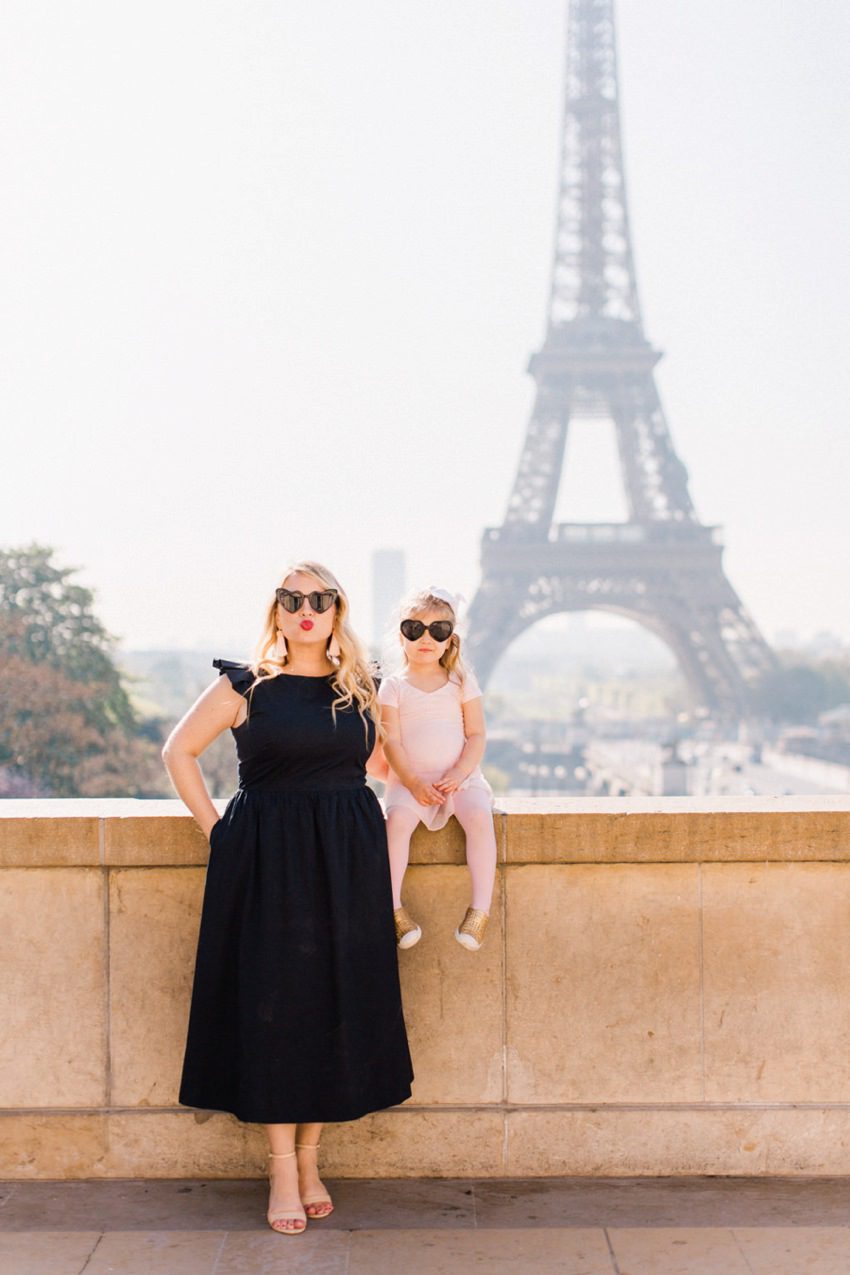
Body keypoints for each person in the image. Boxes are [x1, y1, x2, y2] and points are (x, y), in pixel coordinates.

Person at [162, 561, 413, 1236]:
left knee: (333, 1002)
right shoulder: (246, 685)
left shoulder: (362, 687)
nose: (306, 608)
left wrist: (457, 783)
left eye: (320, 598)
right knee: (276, 1011)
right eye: (292, 598)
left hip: (347, 860)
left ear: (338, 609)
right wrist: (222, 835)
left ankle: (309, 1160)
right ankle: (279, 1168)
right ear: (276, 610)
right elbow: (178, 752)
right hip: (267, 863)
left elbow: (386, 767)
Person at [378, 586, 496, 951]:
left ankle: (480, 910)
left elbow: (476, 735)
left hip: (460, 779)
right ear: (401, 636)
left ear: (450, 640)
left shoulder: (461, 681)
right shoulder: (393, 687)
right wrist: (412, 783)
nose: (426, 638)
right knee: (396, 824)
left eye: (438, 630)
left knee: (478, 817)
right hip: (411, 783)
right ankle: (394, 908)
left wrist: (460, 774)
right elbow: (391, 742)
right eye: (415, 629)